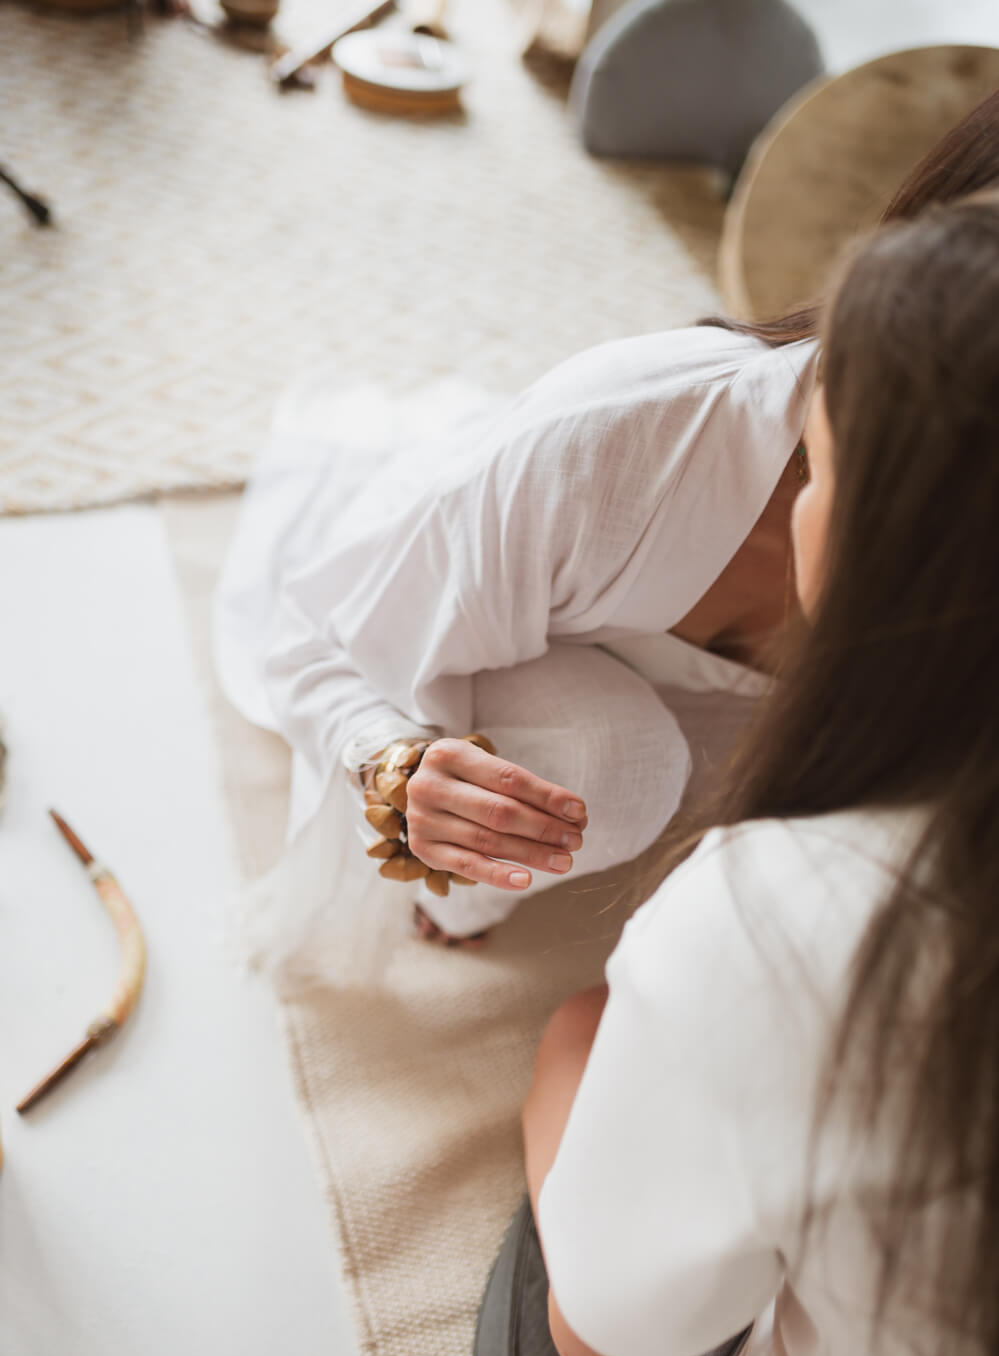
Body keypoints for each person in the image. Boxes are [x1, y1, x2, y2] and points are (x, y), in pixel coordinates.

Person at [214, 90, 999, 956]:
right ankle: (471, 890)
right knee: (616, 770)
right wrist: (397, 765)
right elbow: (317, 642)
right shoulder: (628, 439)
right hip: (507, 637)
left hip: (724, 737)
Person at [513, 192, 999, 1356]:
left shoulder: (785, 920)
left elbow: (605, 1326)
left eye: (818, 470)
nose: (789, 511)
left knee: (571, 1036)